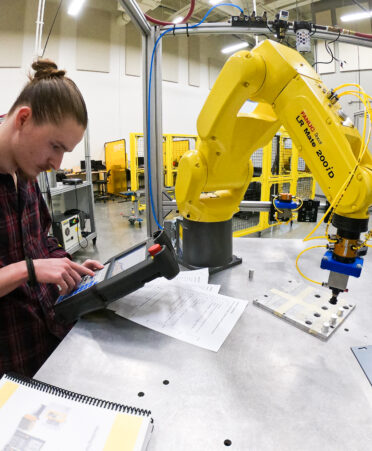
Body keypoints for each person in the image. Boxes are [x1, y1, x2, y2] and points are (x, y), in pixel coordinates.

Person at [0, 59, 104, 377]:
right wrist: (27, 270)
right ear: (24, 119)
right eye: (55, 146)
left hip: (49, 343)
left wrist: (67, 266)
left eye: (65, 152)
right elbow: (30, 264)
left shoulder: (26, 164)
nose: (57, 164)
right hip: (10, 366)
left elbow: (40, 240)